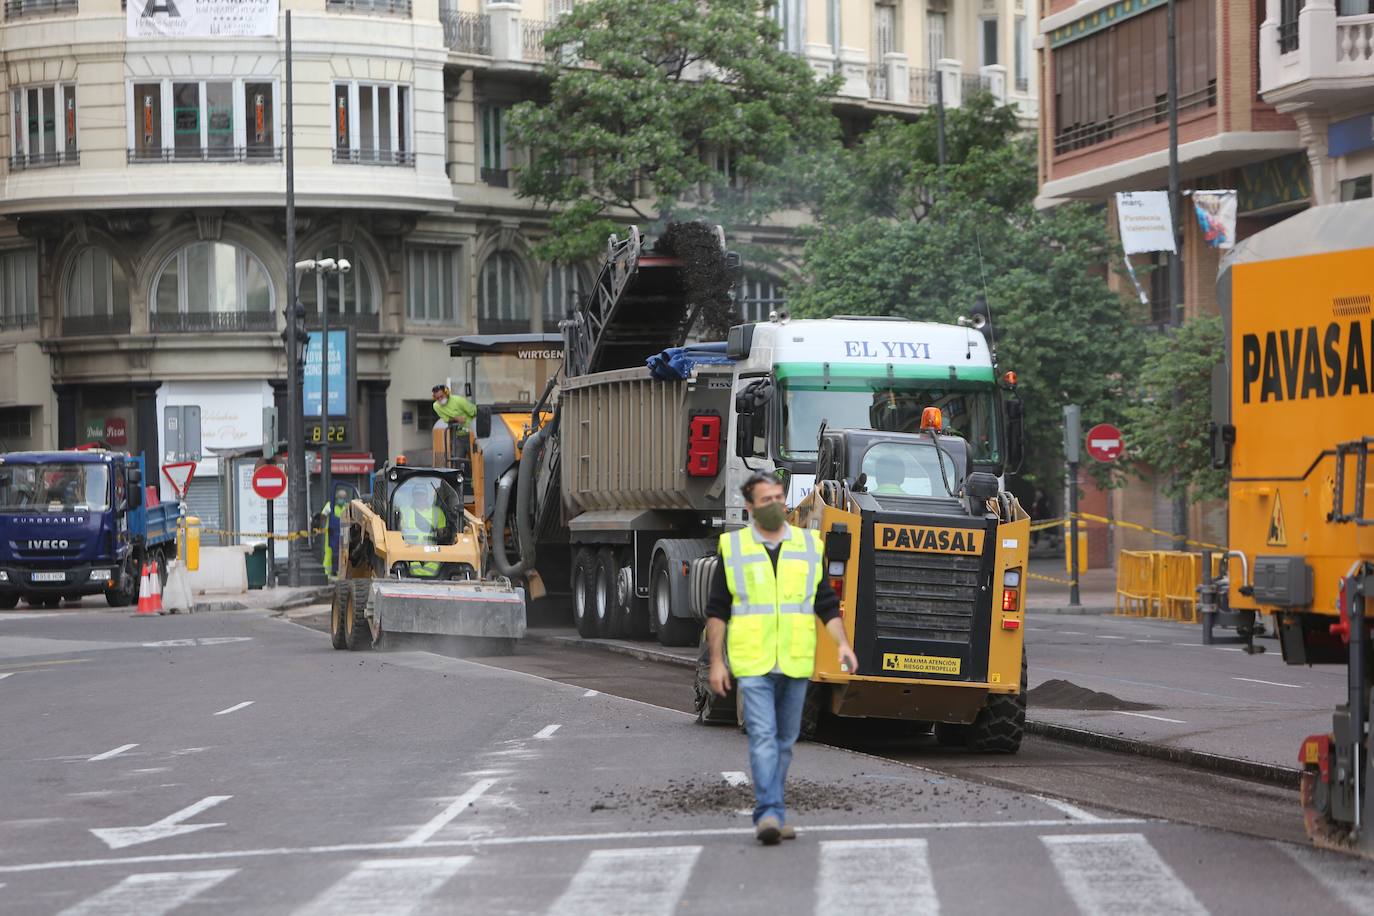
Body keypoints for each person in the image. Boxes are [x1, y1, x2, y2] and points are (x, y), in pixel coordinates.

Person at [705, 473, 859, 846]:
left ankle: (773, 810)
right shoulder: (734, 547)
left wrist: (841, 644)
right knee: (762, 737)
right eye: (767, 498)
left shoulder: (808, 545)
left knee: (786, 741)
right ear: (750, 507)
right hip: (753, 661)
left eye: (779, 496)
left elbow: (825, 603)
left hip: (794, 660)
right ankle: (770, 813)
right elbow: (717, 611)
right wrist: (717, 662)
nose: (776, 504)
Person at [398, 485, 447, 578]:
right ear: (413, 496)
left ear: (427, 496)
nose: (419, 497)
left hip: (431, 552)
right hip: (409, 551)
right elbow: (397, 531)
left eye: (422, 495)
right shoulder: (404, 511)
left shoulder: (437, 512)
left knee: (433, 568)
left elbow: (442, 534)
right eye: (417, 495)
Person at [320, 485, 351, 578]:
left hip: (343, 533)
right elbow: (322, 516)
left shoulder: (346, 506)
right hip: (331, 533)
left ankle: (339, 573)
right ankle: (327, 573)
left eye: (343, 498)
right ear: (337, 497)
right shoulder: (330, 505)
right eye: (340, 497)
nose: (342, 499)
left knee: (342, 553)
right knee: (329, 552)